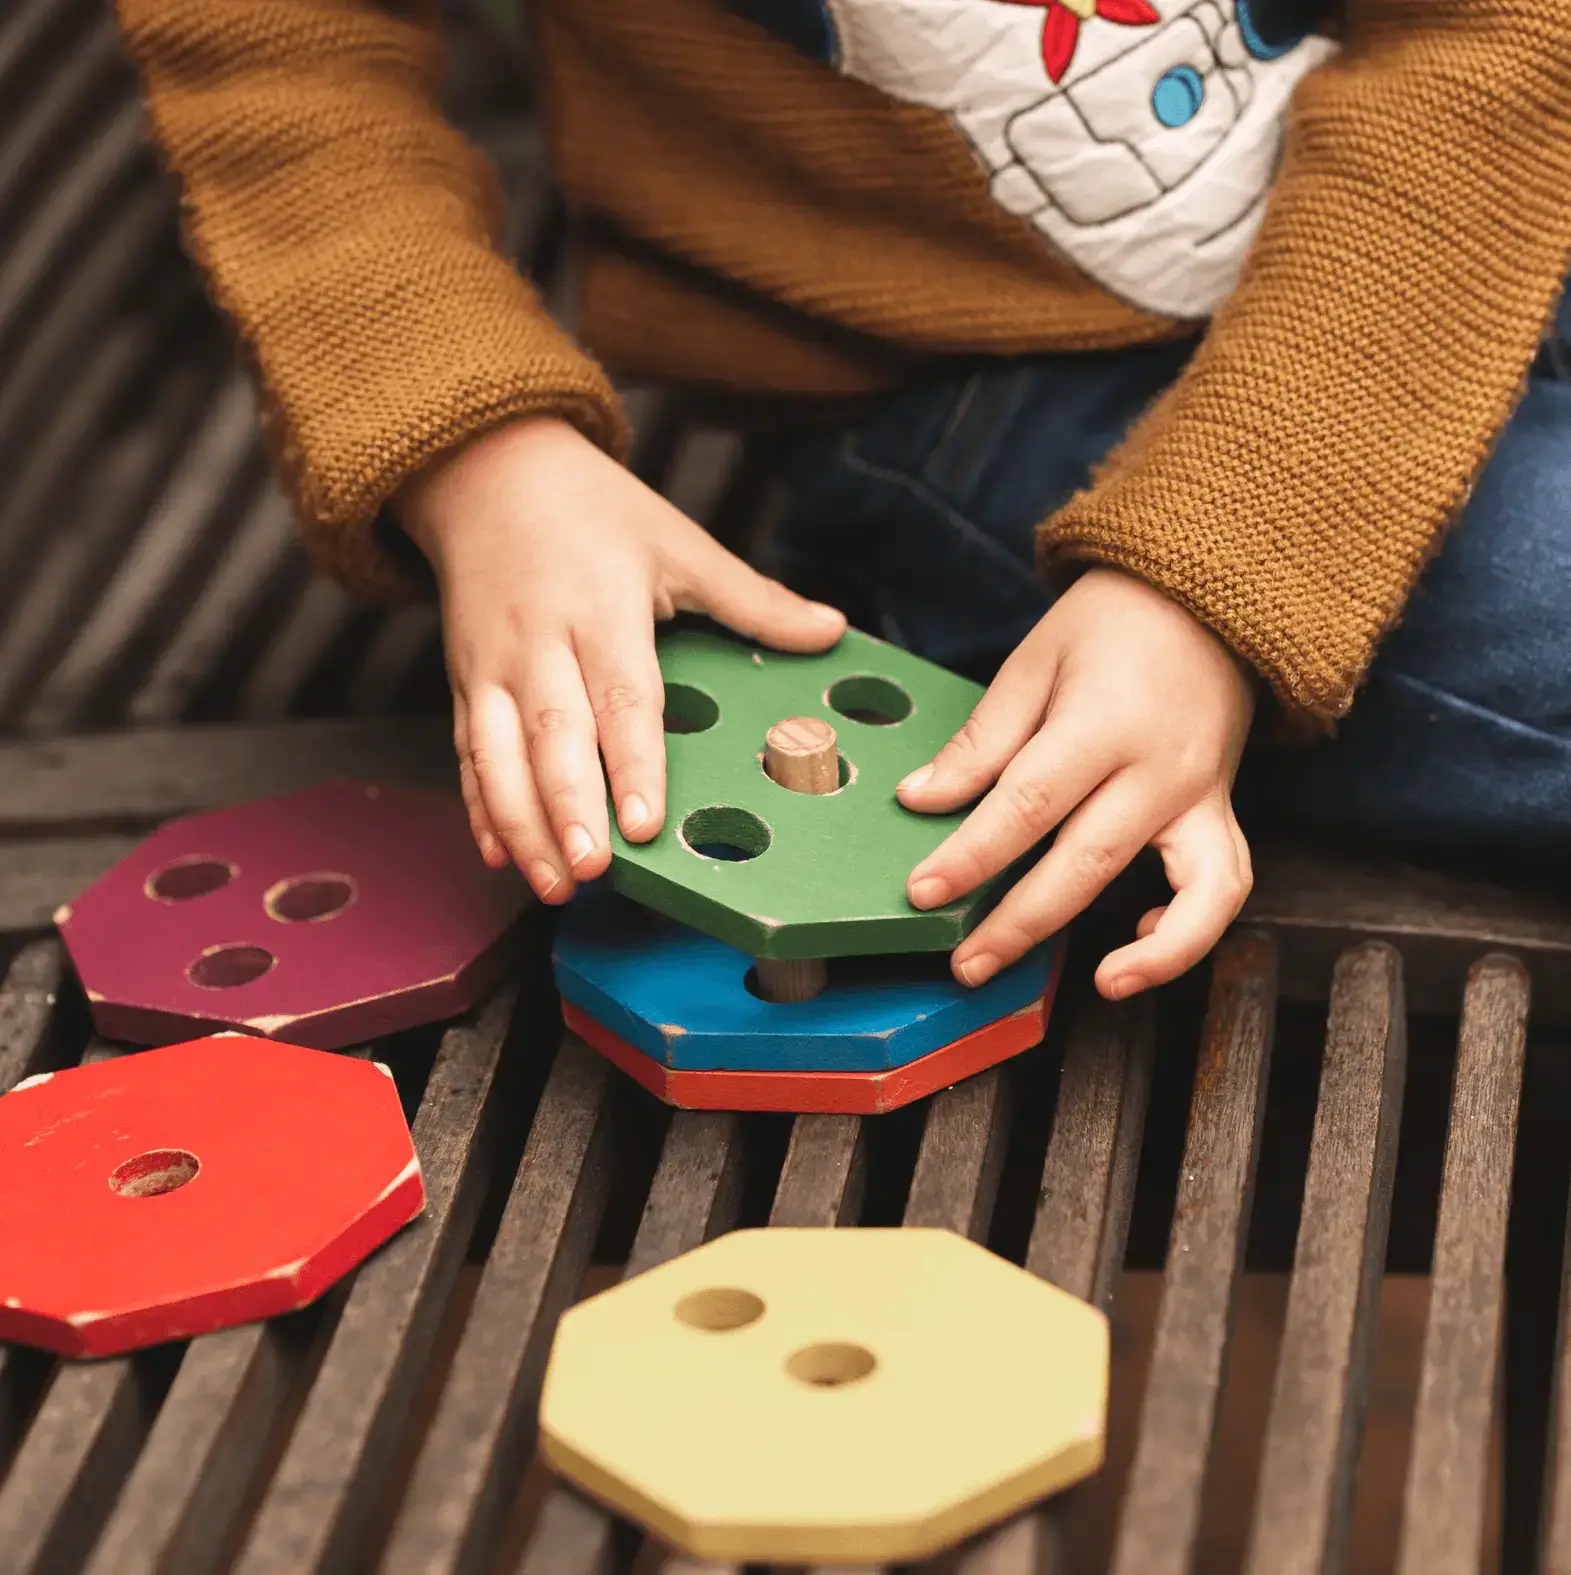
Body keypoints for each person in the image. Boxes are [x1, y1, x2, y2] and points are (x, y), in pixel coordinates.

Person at [112, 0, 1571, 999]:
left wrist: (1253, 515)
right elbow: (277, 46)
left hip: (1471, 202)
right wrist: (472, 447)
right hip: (1010, 388)